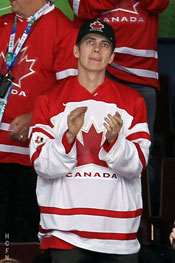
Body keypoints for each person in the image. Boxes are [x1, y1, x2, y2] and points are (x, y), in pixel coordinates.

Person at [29, 19, 151, 263]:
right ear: (76, 50)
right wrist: (69, 136)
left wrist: (116, 141)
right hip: (64, 233)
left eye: (105, 45)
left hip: (119, 236)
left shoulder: (133, 101)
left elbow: (137, 165)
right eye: (90, 42)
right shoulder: (48, 100)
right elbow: (42, 165)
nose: (96, 49)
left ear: (112, 56)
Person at [68, 0, 169, 216]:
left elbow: (159, 4)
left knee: (141, 152)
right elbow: (80, 7)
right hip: (99, 68)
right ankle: (89, 214)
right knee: (89, 145)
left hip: (141, 76)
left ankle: (142, 223)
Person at [0, 0, 80, 242]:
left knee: (26, 236)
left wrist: (36, 117)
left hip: (34, 154)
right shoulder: (3, 24)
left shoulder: (64, 31)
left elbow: (71, 91)